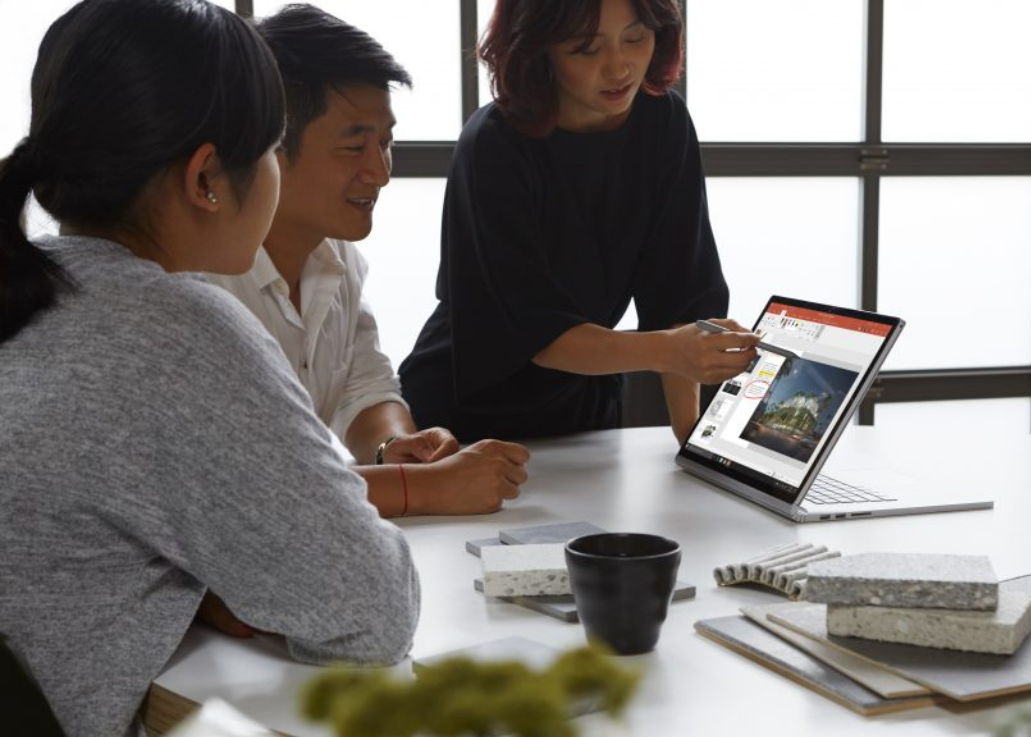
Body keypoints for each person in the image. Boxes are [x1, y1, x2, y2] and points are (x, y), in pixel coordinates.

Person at [0, 1, 419, 734]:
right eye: (268, 150)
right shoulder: (173, 326)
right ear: (207, 178)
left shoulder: (30, 286)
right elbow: (372, 610)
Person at [208, 4, 529, 518]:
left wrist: (397, 448)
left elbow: (365, 383)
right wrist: (424, 488)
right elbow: (246, 489)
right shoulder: (202, 285)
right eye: (354, 147)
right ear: (267, 147)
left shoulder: (335, 255)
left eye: (386, 143)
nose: (380, 173)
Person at [397, 0, 760, 445]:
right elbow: (533, 330)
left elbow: (681, 295)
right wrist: (672, 349)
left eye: (635, 38)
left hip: (583, 409)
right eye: (587, 49)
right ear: (538, 49)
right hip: (462, 416)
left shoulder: (663, 122)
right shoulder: (494, 143)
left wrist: (691, 436)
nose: (619, 67)